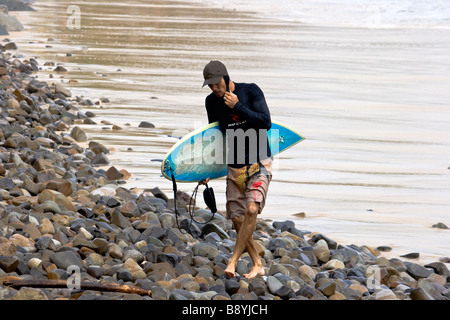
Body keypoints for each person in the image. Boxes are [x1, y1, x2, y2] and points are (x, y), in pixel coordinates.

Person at [202, 60, 272, 279]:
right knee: (238, 218)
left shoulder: (250, 91)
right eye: (210, 85)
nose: (214, 88)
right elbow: (215, 137)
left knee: (252, 210)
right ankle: (258, 263)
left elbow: (266, 122)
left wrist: (238, 107)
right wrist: (206, 170)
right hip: (234, 167)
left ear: (225, 76)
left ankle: (232, 261)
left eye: (216, 83)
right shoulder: (211, 102)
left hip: (259, 162)